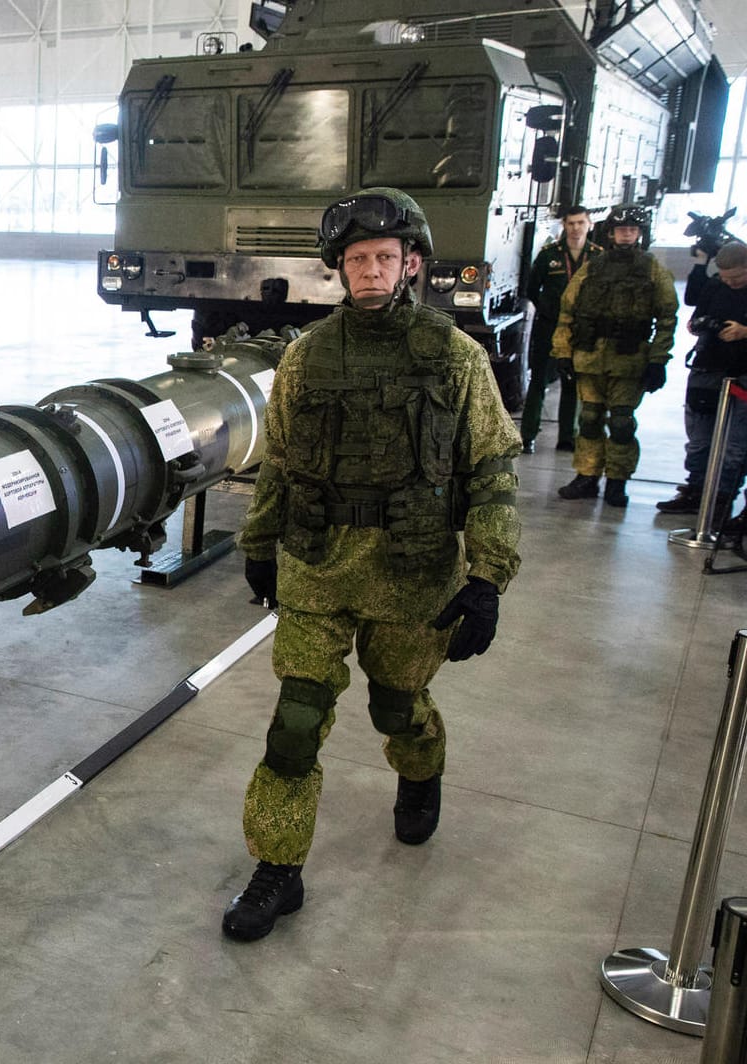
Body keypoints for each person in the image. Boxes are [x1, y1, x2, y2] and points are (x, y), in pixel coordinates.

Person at [225, 187, 522, 943]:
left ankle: (420, 773)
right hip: (318, 565)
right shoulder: (306, 354)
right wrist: (259, 545)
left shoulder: (454, 356)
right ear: (339, 268)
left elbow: (489, 470)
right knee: (294, 722)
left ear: (411, 263)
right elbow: (282, 464)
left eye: (382, 257)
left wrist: (485, 577)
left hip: (411, 570)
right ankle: (277, 870)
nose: (368, 270)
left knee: (396, 706)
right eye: (355, 259)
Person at [552, 204, 680, 508]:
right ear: (610, 233)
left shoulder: (652, 270)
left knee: (622, 422)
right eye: (622, 230)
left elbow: (667, 317)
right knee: (590, 419)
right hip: (590, 356)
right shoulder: (592, 268)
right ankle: (587, 475)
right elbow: (567, 311)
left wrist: (658, 360)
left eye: (632, 230)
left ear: (640, 234)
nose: (626, 235)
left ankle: (617, 481)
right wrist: (562, 352)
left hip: (628, 359)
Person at [659, 243, 747, 518]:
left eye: (737, 277)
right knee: (699, 439)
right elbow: (696, 317)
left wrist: (745, 331)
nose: (730, 282)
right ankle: (696, 490)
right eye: (725, 277)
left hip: (744, 372)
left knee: (736, 444)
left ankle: (722, 498)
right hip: (708, 368)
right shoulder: (714, 286)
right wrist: (702, 325)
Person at [520, 206, 598, 454]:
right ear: (564, 225)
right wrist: (547, 309)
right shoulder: (548, 255)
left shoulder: (597, 257)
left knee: (573, 381)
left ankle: (567, 436)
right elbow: (532, 288)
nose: (576, 228)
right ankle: (528, 435)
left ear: (590, 225)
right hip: (550, 326)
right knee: (539, 379)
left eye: (580, 223)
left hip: (582, 329)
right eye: (571, 223)